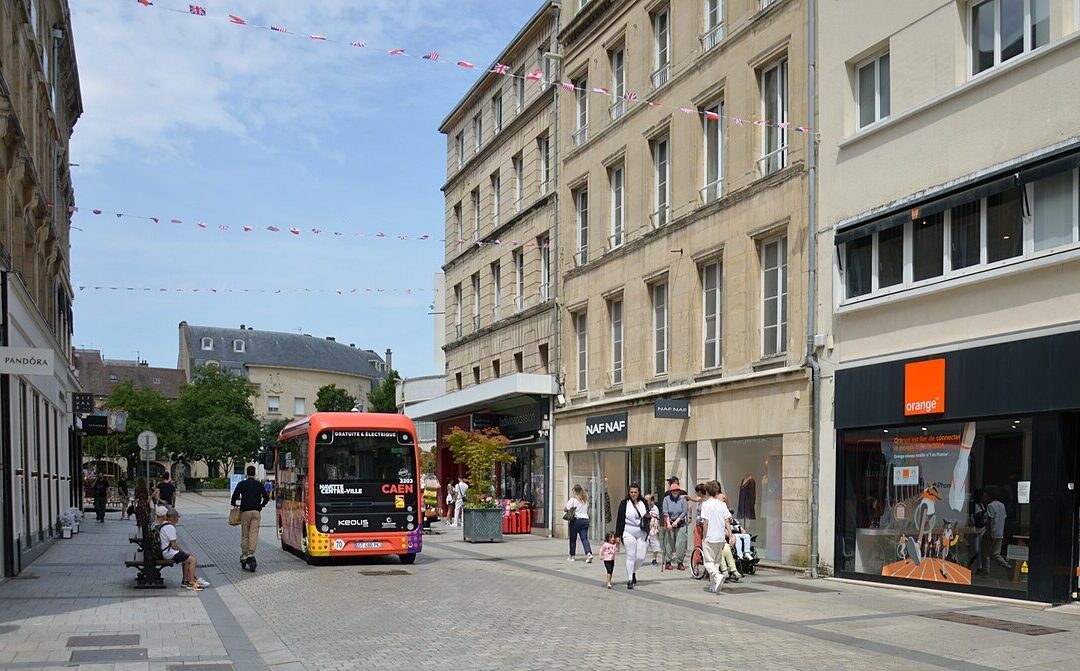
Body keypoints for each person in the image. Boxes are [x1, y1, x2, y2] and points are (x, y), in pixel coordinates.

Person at [231, 465, 270, 572]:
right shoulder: (259, 485)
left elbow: (234, 496)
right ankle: (251, 553)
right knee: (254, 533)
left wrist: (234, 503)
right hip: (256, 512)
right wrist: (261, 505)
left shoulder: (242, 484)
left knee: (245, 534)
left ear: (247, 473)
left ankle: (244, 554)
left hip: (245, 512)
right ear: (255, 473)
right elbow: (266, 497)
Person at [159, 508, 209, 590]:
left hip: (165, 551)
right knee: (193, 560)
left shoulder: (164, 525)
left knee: (186, 559)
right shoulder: (170, 527)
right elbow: (174, 545)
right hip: (169, 553)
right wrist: (182, 551)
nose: (178, 519)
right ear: (173, 518)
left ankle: (185, 581)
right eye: (177, 518)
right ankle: (191, 582)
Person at [700, 480, 734, 593]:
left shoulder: (705, 504)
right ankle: (714, 585)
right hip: (720, 536)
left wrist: (704, 536)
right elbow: (727, 521)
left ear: (707, 492)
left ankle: (717, 575)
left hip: (710, 536)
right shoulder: (722, 504)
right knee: (716, 562)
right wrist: (730, 535)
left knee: (708, 562)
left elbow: (706, 522)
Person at [614, 483, 648, 589]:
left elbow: (648, 516)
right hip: (628, 532)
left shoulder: (643, 502)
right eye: (631, 492)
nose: (633, 494)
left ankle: (632, 570)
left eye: (635, 492)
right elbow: (619, 519)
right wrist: (617, 535)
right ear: (629, 492)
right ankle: (630, 579)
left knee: (640, 557)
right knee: (631, 555)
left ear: (639, 493)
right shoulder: (624, 503)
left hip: (641, 532)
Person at [662, 476, 689, 570]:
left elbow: (684, 512)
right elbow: (665, 512)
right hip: (670, 522)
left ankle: (680, 562)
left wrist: (677, 520)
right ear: (670, 491)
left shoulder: (683, 499)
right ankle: (668, 561)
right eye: (673, 491)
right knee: (669, 543)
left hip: (680, 522)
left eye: (677, 490)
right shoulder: (666, 499)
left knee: (681, 543)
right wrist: (668, 523)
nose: (675, 492)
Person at [564, 484, 593, 562]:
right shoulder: (585, 501)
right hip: (585, 520)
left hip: (576, 520)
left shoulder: (573, 500)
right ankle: (588, 553)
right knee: (584, 538)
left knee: (573, 539)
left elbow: (566, 508)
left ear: (574, 491)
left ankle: (572, 556)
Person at [986, 488, 1010, 570]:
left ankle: (986, 569)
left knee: (987, 553)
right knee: (996, 553)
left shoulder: (990, 506)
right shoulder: (1002, 505)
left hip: (992, 532)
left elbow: (990, 520)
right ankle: (1005, 564)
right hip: (1000, 532)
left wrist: (989, 533)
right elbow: (1004, 518)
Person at [968, 489, 989, 575]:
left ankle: (979, 567)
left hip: (982, 529)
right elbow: (977, 516)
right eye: (984, 496)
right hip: (976, 530)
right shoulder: (976, 506)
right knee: (975, 549)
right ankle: (972, 566)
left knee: (980, 549)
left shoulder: (982, 505)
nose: (985, 498)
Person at [644, 493, 662, 565]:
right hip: (644, 528)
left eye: (647, 500)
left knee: (655, 543)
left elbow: (649, 515)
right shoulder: (642, 507)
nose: (646, 501)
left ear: (651, 501)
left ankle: (654, 559)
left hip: (652, 528)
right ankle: (639, 559)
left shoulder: (655, 508)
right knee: (643, 544)